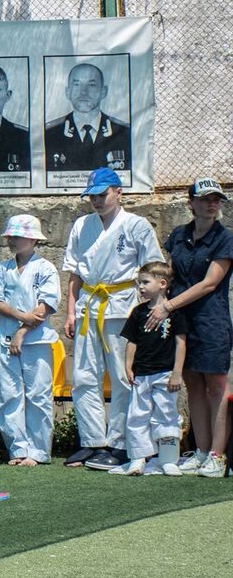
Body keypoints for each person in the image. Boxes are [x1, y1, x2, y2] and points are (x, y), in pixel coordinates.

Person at [62, 167, 162, 471]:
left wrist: (152, 309)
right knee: (83, 377)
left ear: (119, 192)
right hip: (88, 305)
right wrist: (70, 311)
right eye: (92, 196)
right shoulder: (82, 225)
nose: (97, 201)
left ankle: (121, 443)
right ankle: (92, 441)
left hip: (122, 306)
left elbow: (153, 270)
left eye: (102, 195)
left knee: (122, 377)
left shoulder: (137, 225)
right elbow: (74, 273)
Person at [154, 178, 232, 478]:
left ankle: (217, 456)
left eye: (216, 199)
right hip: (182, 321)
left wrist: (168, 306)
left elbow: (210, 283)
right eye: (205, 199)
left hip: (212, 321)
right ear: (191, 203)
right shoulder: (179, 235)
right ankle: (200, 451)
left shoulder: (225, 238)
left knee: (216, 387)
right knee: (194, 386)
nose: (212, 204)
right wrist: (159, 298)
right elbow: (172, 272)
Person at [0, 215, 60, 466]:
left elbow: (46, 305)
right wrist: (20, 317)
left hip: (36, 339)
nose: (12, 241)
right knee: (9, 395)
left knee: (38, 394)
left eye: (17, 236)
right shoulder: (2, 268)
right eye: (10, 236)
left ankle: (38, 451)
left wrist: (23, 330)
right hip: (6, 337)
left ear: (32, 239)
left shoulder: (45, 268)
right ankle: (17, 449)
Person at [110, 262, 186, 476]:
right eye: (139, 283)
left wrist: (177, 373)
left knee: (167, 414)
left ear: (162, 283)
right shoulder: (138, 312)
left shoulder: (175, 314)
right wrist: (128, 366)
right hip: (141, 374)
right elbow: (132, 342)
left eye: (145, 282)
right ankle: (138, 458)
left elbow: (181, 343)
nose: (140, 287)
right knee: (137, 415)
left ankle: (168, 459)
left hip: (165, 374)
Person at [45, 63, 131, 172]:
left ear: (104, 91)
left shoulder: (125, 133)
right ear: (68, 92)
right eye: (77, 84)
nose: (83, 91)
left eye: (91, 85)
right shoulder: (50, 134)